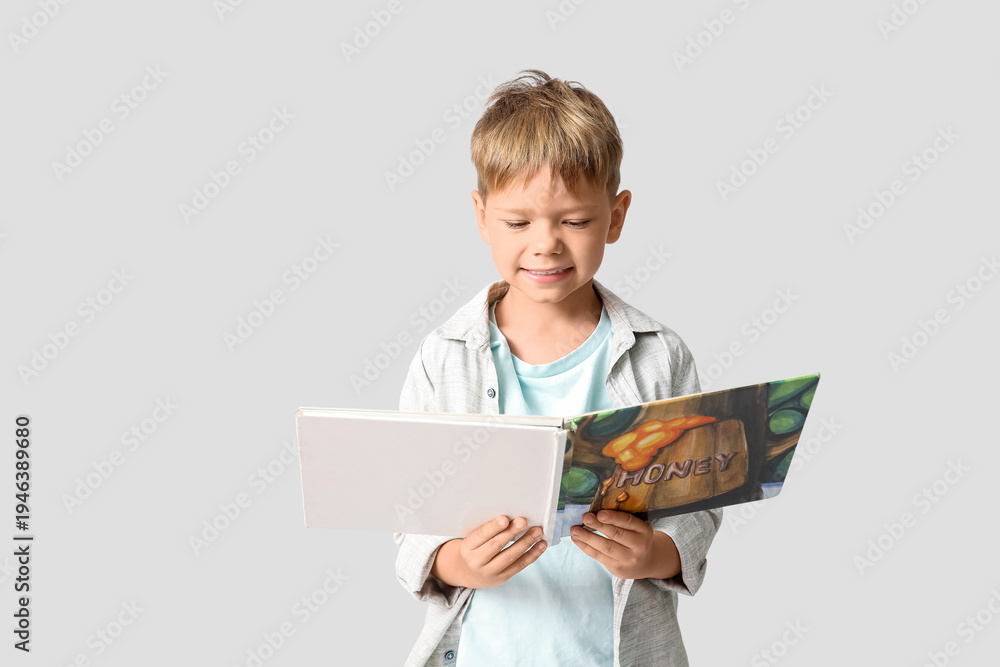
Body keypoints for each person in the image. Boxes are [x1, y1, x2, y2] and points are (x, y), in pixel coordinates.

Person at [393, 69, 722, 667]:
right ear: (482, 216)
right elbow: (410, 516)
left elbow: (698, 508)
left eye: (574, 221)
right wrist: (460, 562)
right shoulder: (444, 356)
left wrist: (651, 553)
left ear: (616, 217)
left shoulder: (659, 355)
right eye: (518, 222)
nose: (545, 244)